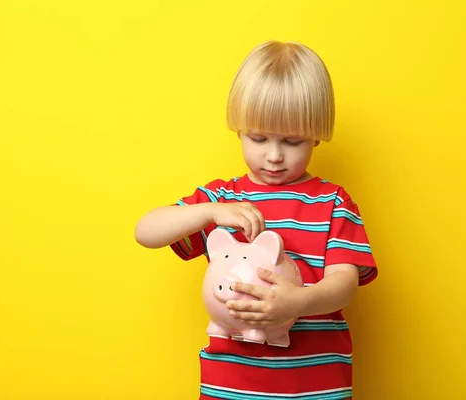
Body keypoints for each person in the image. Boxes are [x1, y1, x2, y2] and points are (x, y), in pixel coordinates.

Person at [135, 40, 378, 400]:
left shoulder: (332, 202)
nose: (274, 156)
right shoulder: (221, 201)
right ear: (239, 130)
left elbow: (344, 284)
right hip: (231, 386)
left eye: (293, 141)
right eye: (259, 138)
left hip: (315, 386)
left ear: (317, 136)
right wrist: (208, 212)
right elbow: (146, 231)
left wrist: (298, 302)